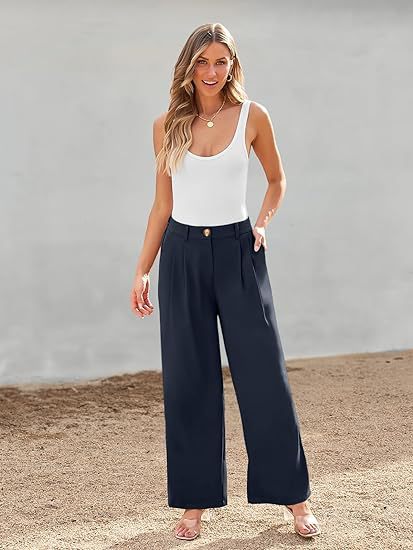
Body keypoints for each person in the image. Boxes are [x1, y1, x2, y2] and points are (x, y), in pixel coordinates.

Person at [130, 22, 321, 541]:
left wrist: (263, 222)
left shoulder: (253, 117)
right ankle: (194, 503)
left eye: (221, 61)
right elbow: (162, 206)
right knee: (189, 380)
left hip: (239, 251)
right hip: (182, 255)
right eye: (202, 61)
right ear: (188, 66)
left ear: (232, 64)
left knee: (264, 376)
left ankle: (296, 498)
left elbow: (277, 180)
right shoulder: (166, 125)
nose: (211, 72)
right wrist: (143, 268)